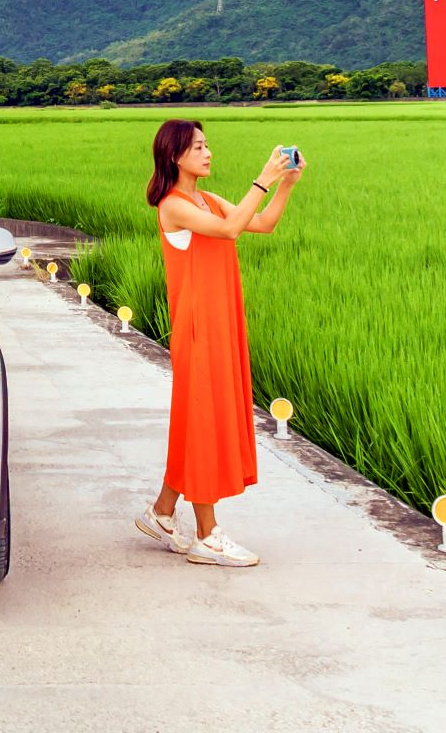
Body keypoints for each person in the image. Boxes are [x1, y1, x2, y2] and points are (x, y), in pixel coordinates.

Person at [138, 120, 299, 566]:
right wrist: (262, 179)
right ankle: (207, 537)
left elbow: (261, 224)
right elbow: (229, 231)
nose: (208, 153)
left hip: (219, 321)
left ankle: (162, 512)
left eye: (208, 145)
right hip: (197, 329)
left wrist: (286, 183)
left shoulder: (206, 200)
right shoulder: (174, 206)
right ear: (175, 156)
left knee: (195, 420)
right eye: (198, 147)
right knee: (203, 422)